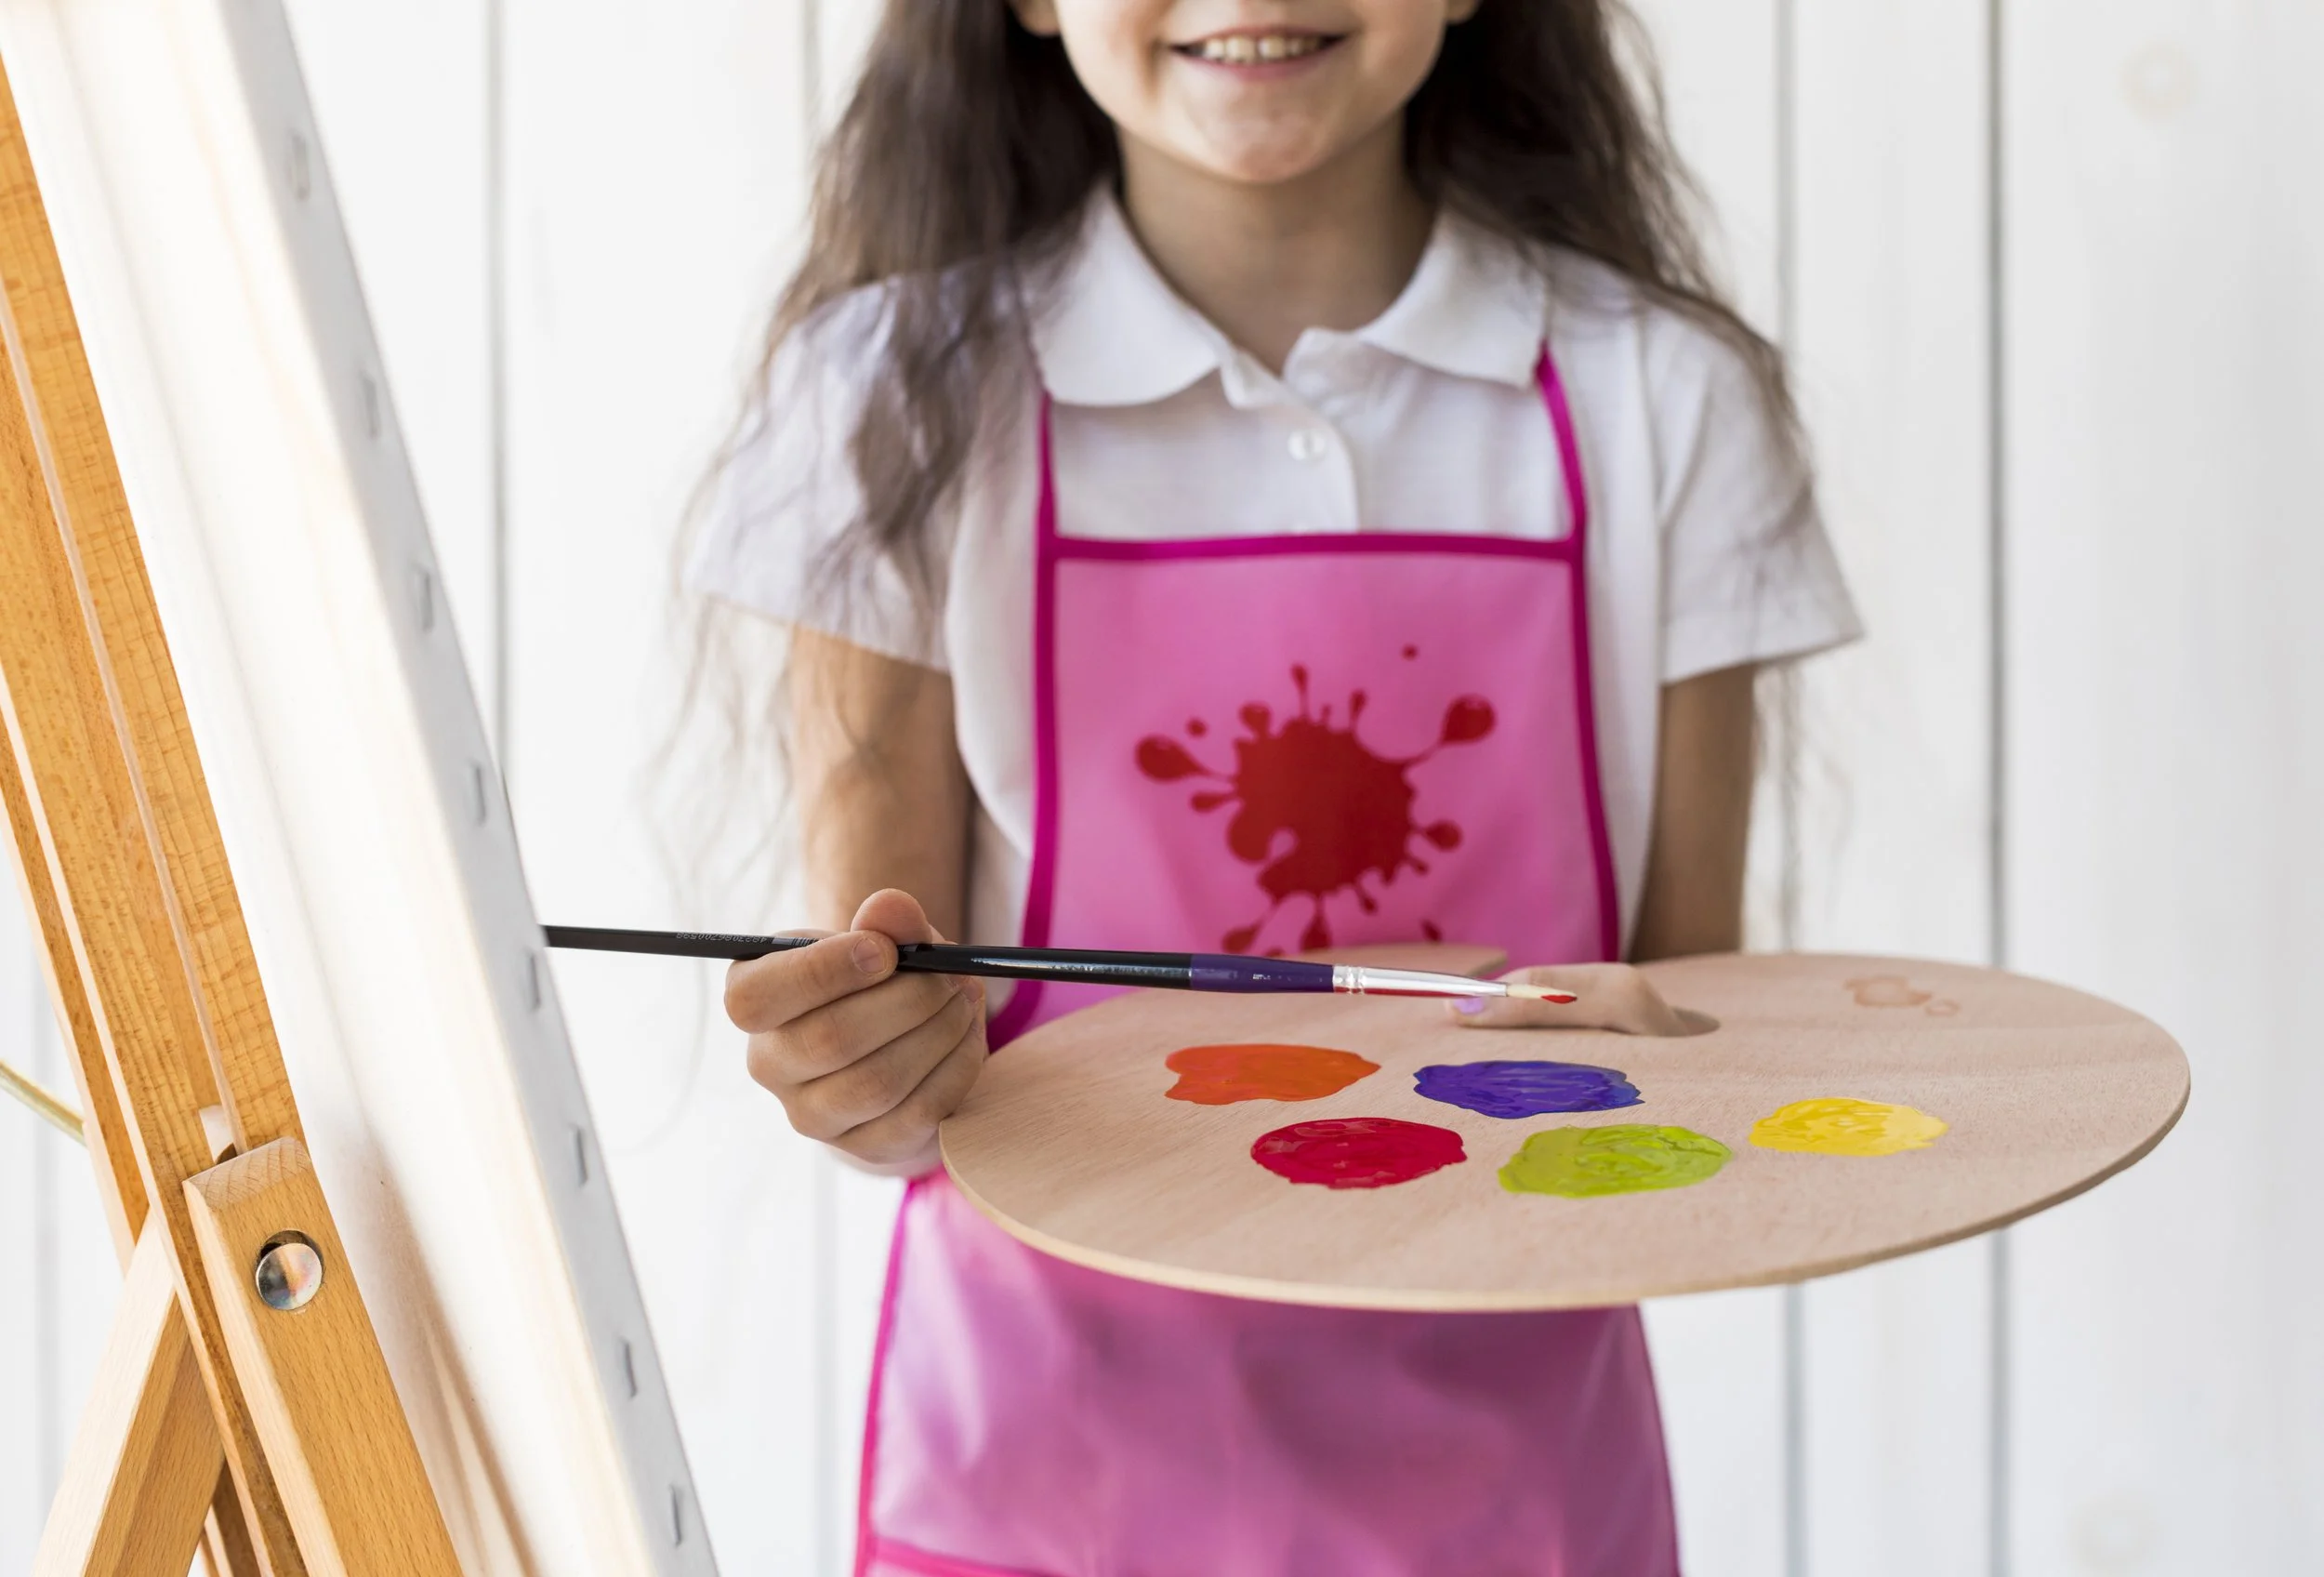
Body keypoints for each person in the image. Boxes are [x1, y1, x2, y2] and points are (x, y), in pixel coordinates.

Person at [689, 2, 1858, 1571]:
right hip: (1039, 1486)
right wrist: (858, 1065)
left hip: (1519, 1499)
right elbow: (899, 1063)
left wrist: (1651, 1044)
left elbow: (1699, 1035)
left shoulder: (1666, 398)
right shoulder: (885, 395)